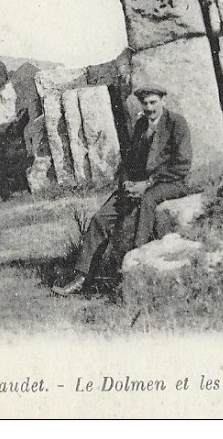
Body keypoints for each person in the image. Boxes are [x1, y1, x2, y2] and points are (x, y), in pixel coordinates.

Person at [52, 85, 192, 296]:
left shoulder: (176, 123)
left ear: (163, 100)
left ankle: (135, 269)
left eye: (153, 102)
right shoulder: (140, 125)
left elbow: (182, 164)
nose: (149, 108)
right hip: (139, 184)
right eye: (145, 103)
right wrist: (126, 183)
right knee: (100, 218)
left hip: (169, 182)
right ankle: (82, 278)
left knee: (147, 201)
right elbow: (128, 161)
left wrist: (148, 182)